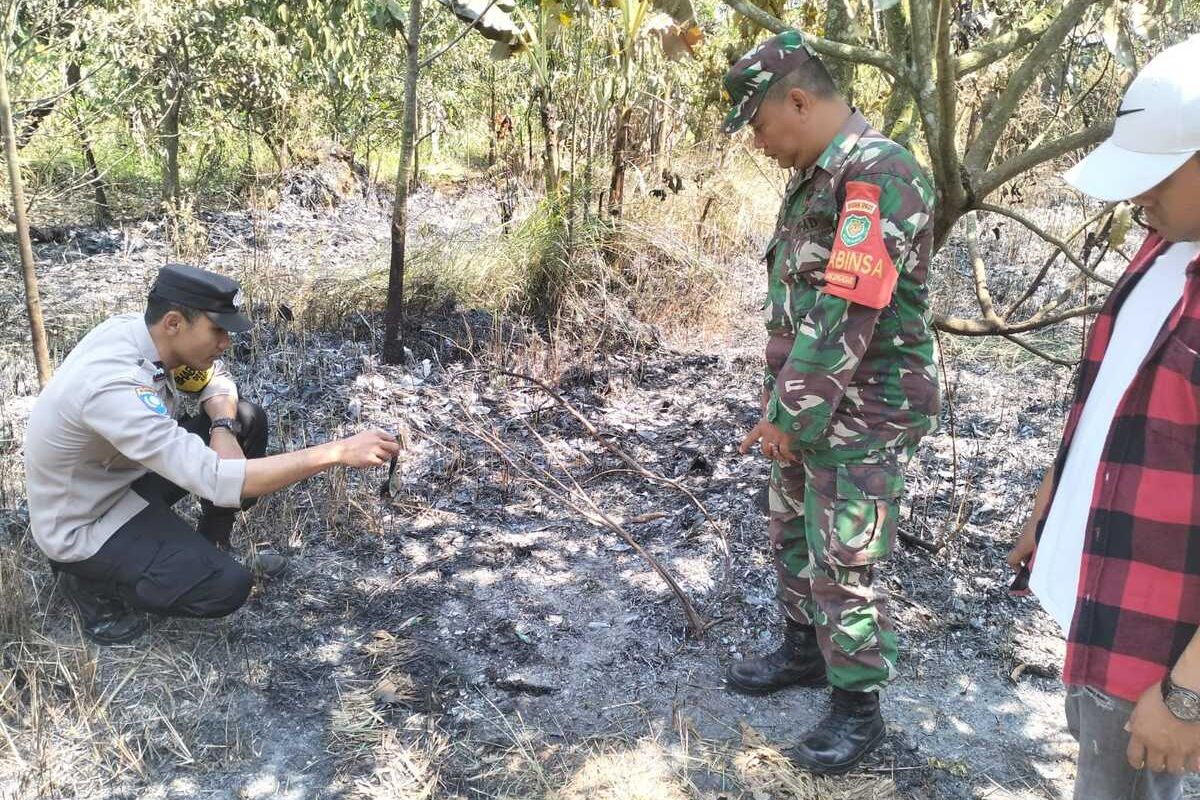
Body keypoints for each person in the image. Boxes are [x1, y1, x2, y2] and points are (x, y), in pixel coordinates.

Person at [720, 30, 939, 773]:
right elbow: (801, 307)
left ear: (801, 100)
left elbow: (849, 308)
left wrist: (789, 414)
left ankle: (858, 709)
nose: (757, 140)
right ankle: (802, 652)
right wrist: (781, 410)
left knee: (843, 560)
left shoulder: (879, 174)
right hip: (810, 403)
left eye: (757, 122)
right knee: (791, 534)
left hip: (864, 409)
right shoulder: (818, 177)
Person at [1007, 35, 1200, 800]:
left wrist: (1186, 695)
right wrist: (1050, 506)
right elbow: (1106, 401)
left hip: (1158, 657)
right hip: (1104, 608)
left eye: (1155, 177)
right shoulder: (1161, 249)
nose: (1136, 199)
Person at [24, 264, 400, 645]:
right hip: (86, 520)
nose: (226, 342)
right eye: (217, 330)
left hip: (123, 475)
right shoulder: (112, 388)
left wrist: (222, 426)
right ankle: (89, 581)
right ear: (174, 322)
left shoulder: (148, 337)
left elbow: (213, 378)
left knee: (245, 419)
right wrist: (337, 451)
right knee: (226, 587)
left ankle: (212, 542)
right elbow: (222, 479)